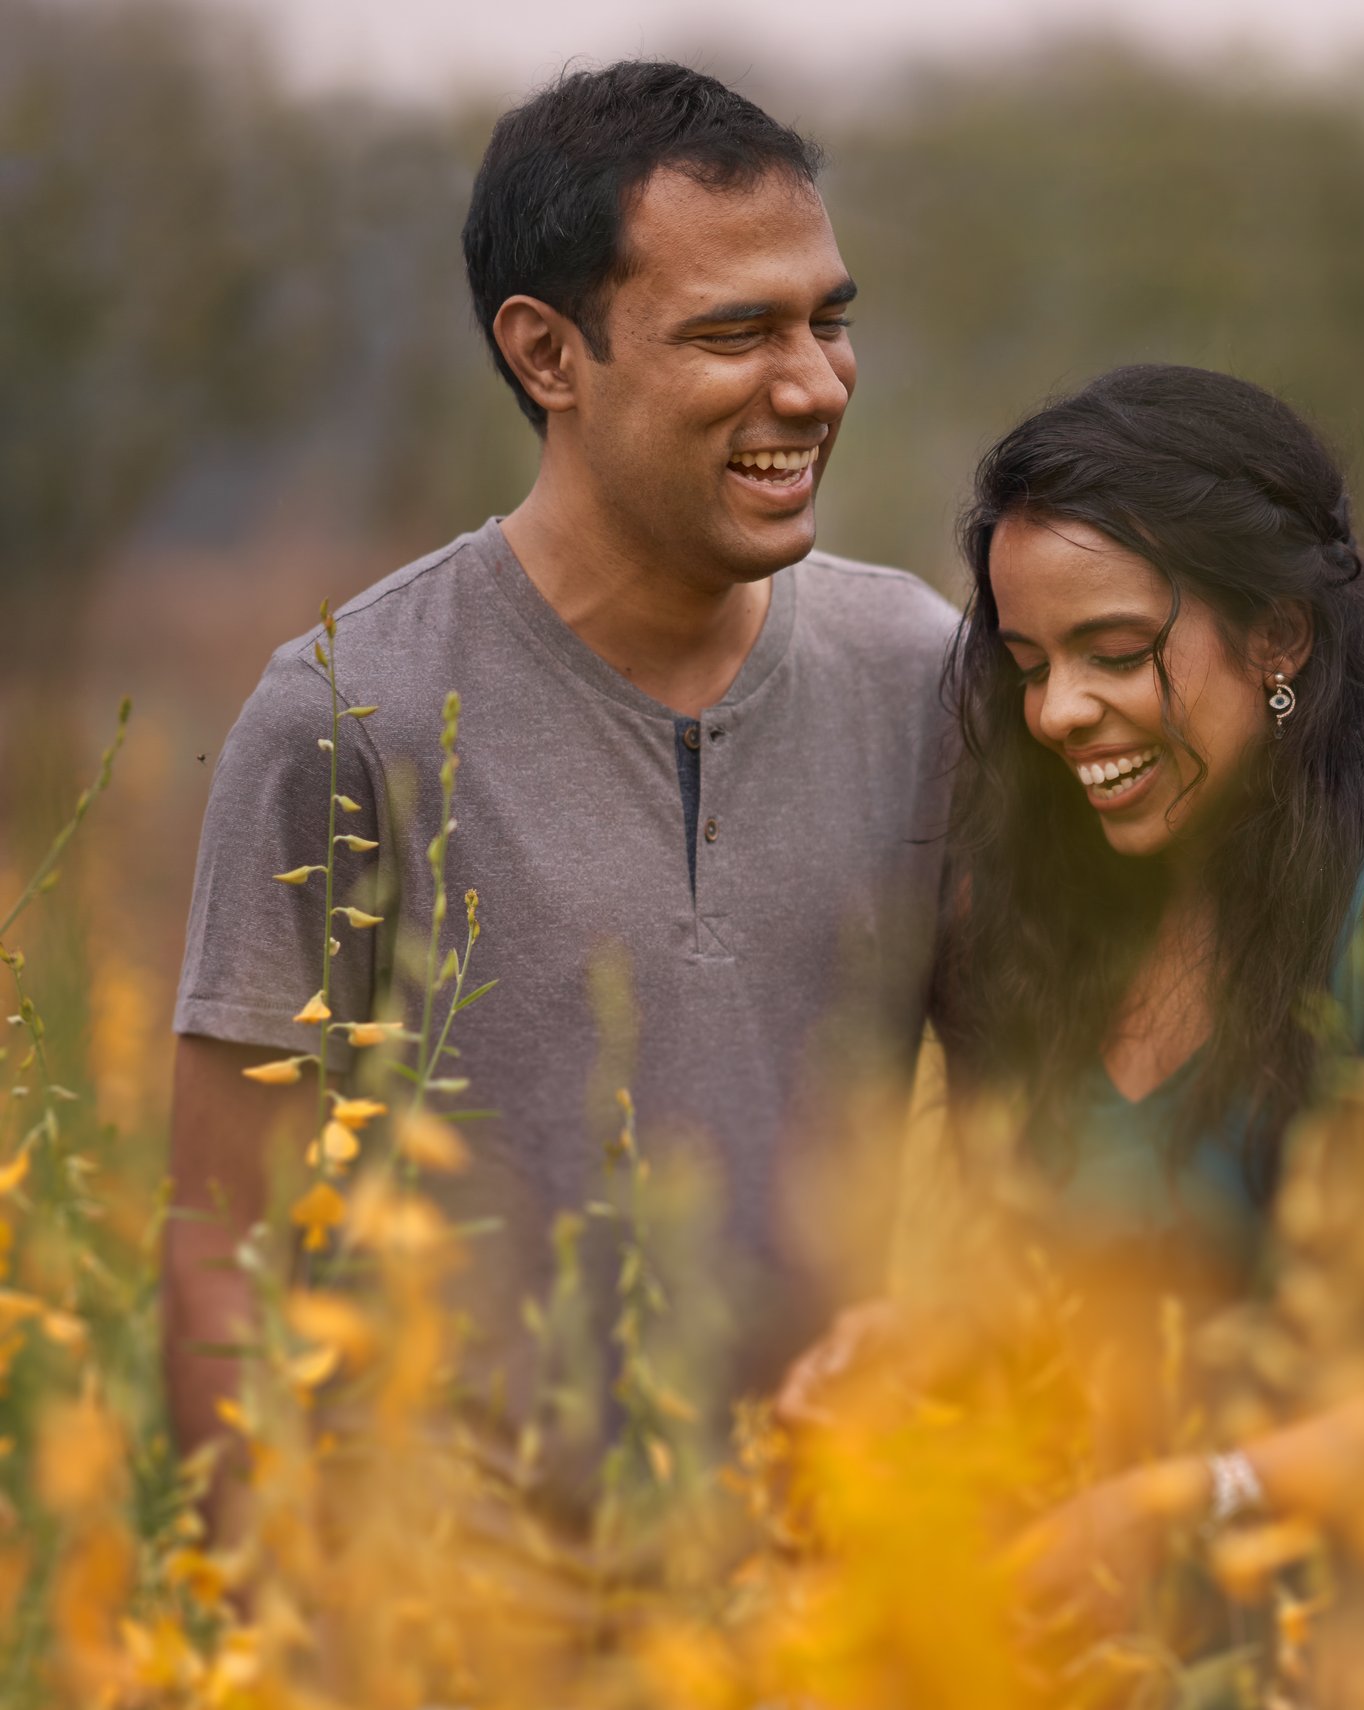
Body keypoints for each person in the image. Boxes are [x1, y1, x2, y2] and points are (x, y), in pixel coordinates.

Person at [167, 62, 956, 1529]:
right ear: (547, 353)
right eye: (736, 331)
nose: (815, 383)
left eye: (828, 319)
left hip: (823, 1611)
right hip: (458, 1628)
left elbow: (1034, 1131)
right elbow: (224, 1237)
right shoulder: (349, 713)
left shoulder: (925, 674)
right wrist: (266, 1635)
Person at [778, 364, 1364, 1652]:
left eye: (1116, 653)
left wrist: (1190, 1503)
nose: (1057, 714)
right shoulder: (1050, 916)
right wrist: (939, 1344)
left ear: (1278, 639)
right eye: (1030, 664)